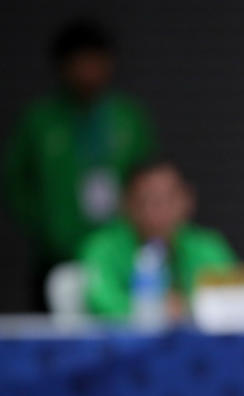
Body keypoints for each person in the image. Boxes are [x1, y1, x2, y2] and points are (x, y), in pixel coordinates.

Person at [3, 17, 156, 310]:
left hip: (119, 248)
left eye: (96, 62)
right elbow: (15, 182)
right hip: (58, 251)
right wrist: (45, 223)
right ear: (62, 67)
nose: (89, 72)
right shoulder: (40, 121)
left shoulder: (128, 117)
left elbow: (145, 175)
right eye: (80, 63)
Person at [81, 159, 235, 320]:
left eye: (168, 200)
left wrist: (186, 308)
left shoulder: (208, 248)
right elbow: (99, 298)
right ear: (126, 204)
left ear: (188, 200)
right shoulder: (102, 248)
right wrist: (152, 311)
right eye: (146, 201)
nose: (158, 212)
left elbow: (229, 301)